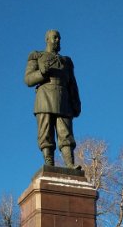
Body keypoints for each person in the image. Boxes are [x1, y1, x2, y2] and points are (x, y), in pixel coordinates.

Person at [24, 29, 81, 169]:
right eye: (55, 37)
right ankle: (49, 163)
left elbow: (73, 85)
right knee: (46, 132)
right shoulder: (37, 56)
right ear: (47, 39)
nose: (58, 40)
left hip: (64, 99)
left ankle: (70, 163)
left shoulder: (66, 61)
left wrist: (76, 102)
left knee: (66, 133)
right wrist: (42, 72)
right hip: (44, 99)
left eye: (59, 38)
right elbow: (28, 80)